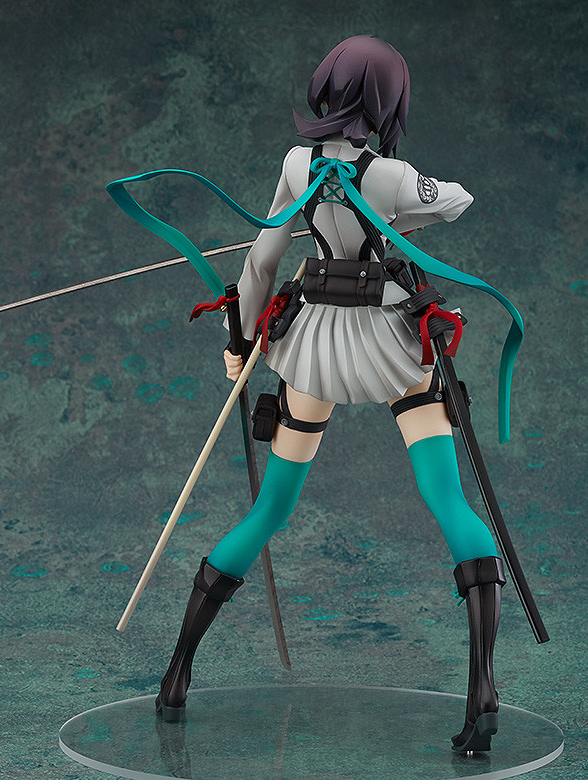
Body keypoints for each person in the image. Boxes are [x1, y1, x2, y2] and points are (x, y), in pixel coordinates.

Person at [156, 35, 506, 753]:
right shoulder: (394, 176)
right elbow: (459, 201)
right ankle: (483, 694)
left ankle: (176, 676)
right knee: (447, 500)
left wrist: (239, 341)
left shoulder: (297, 165)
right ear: (386, 101)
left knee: (269, 510)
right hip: (389, 346)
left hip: (313, 348)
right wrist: (398, 214)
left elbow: (261, 263)